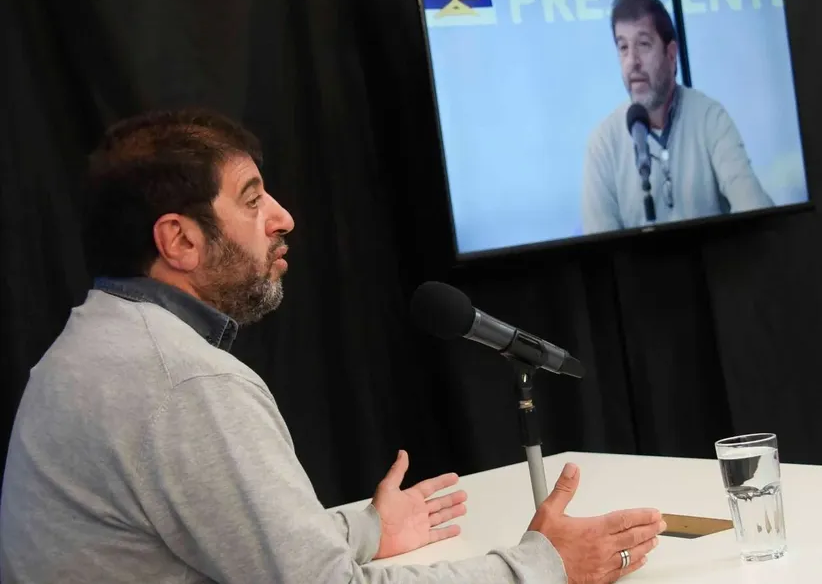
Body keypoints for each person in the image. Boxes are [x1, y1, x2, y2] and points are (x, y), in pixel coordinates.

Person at [0, 109, 666, 583]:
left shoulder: (96, 343)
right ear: (179, 239)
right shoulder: (184, 383)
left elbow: (231, 545)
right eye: (252, 198)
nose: (283, 217)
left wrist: (368, 529)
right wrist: (544, 566)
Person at [581, 0, 774, 234]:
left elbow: (755, 209)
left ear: (671, 55)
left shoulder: (709, 118)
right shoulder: (603, 144)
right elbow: (599, 255)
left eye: (643, 44)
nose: (632, 62)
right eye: (623, 47)